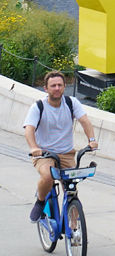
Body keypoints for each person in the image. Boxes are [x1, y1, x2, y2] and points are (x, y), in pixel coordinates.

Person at [24, 70, 97, 223]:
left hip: (67, 154)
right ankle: (40, 201)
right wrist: (34, 148)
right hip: (44, 155)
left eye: (60, 85)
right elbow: (29, 129)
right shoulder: (38, 107)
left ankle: (75, 230)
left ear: (64, 86)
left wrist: (91, 140)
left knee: (71, 191)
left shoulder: (71, 103)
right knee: (48, 176)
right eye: (53, 86)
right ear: (46, 88)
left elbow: (85, 121)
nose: (57, 88)